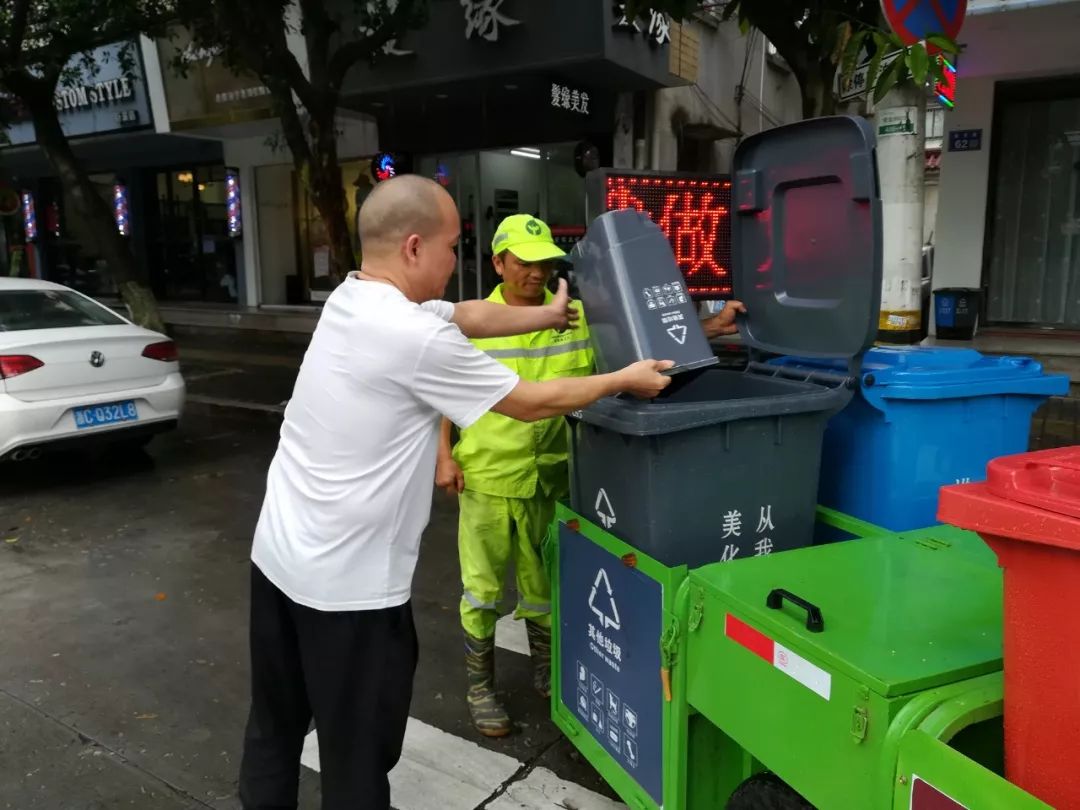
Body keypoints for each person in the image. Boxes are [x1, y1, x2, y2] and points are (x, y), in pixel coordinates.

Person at [238, 175, 674, 810]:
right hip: (348, 594)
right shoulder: (413, 337)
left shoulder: (354, 299)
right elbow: (526, 403)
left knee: (274, 727)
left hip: (276, 563)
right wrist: (622, 379)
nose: (454, 262)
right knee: (357, 758)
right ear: (414, 247)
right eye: (450, 247)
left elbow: (468, 314)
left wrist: (547, 314)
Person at [436, 214, 745, 737]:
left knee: (542, 584)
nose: (536, 273)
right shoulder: (475, 322)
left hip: (553, 474)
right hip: (488, 474)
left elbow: (634, 348)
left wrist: (709, 329)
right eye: (524, 263)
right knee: (483, 589)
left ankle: (543, 665)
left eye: (545, 264)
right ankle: (479, 684)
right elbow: (441, 393)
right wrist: (443, 455)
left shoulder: (577, 317)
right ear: (498, 263)